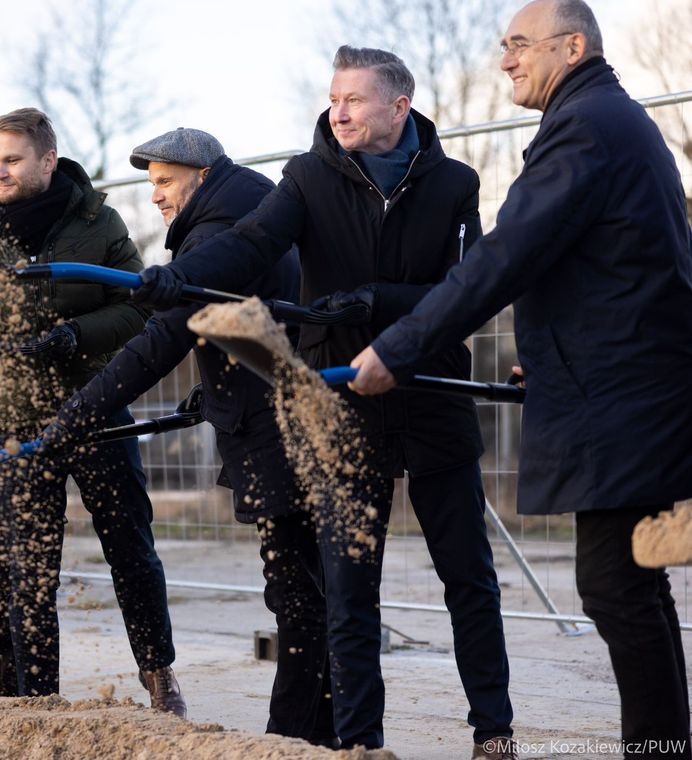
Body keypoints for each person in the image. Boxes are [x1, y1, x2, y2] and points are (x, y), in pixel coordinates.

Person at [132, 49, 516, 755]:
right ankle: (359, 743)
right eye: (334, 98)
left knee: (468, 579)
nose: (337, 111)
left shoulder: (455, 184)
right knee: (349, 590)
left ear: (399, 107)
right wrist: (178, 277)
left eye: (355, 100)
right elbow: (250, 244)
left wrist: (377, 301)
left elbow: (470, 287)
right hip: (339, 406)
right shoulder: (306, 177)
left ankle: (494, 730)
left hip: (431, 396)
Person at [347, 2, 692, 756]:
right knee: (633, 584)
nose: (504, 60)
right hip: (628, 375)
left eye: (519, 45)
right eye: (504, 46)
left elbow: (506, 257)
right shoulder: (609, 120)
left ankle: (659, 748)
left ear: (574, 46)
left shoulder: (586, 126)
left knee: (613, 585)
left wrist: (397, 349)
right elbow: (612, 261)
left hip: (624, 392)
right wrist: (555, 344)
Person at [44, 128, 334, 743]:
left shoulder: (217, 235)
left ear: (203, 177)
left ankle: (295, 739)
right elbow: (253, 320)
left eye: (165, 181)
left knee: (296, 592)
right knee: (310, 584)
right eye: (151, 183)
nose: (156, 196)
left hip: (273, 432)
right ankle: (322, 731)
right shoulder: (251, 211)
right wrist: (220, 382)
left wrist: (77, 413)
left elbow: (158, 342)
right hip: (281, 416)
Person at [0, 107, 184, 714]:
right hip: (18, 418)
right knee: (28, 564)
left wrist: (75, 335)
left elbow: (137, 305)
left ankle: (160, 679)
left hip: (95, 407)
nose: (0, 173)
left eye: (12, 160)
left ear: (47, 160)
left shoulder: (98, 223)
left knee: (130, 547)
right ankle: (37, 696)